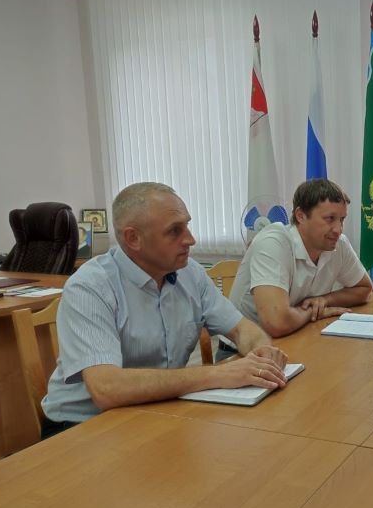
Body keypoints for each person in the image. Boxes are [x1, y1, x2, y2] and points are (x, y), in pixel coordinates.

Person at [42, 182, 288, 435]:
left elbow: (241, 329)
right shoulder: (90, 287)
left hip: (156, 409)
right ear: (133, 238)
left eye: (187, 225)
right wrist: (216, 374)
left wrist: (261, 352)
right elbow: (107, 388)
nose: (190, 240)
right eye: (174, 231)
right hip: (82, 427)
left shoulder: (190, 273)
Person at [225, 179, 372, 348]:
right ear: (300, 215)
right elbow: (276, 323)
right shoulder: (273, 242)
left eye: (342, 220)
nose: (338, 229)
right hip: (242, 352)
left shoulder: (339, 243)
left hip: (297, 336)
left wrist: (324, 300)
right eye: (330, 219)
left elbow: (364, 289)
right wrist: (313, 312)